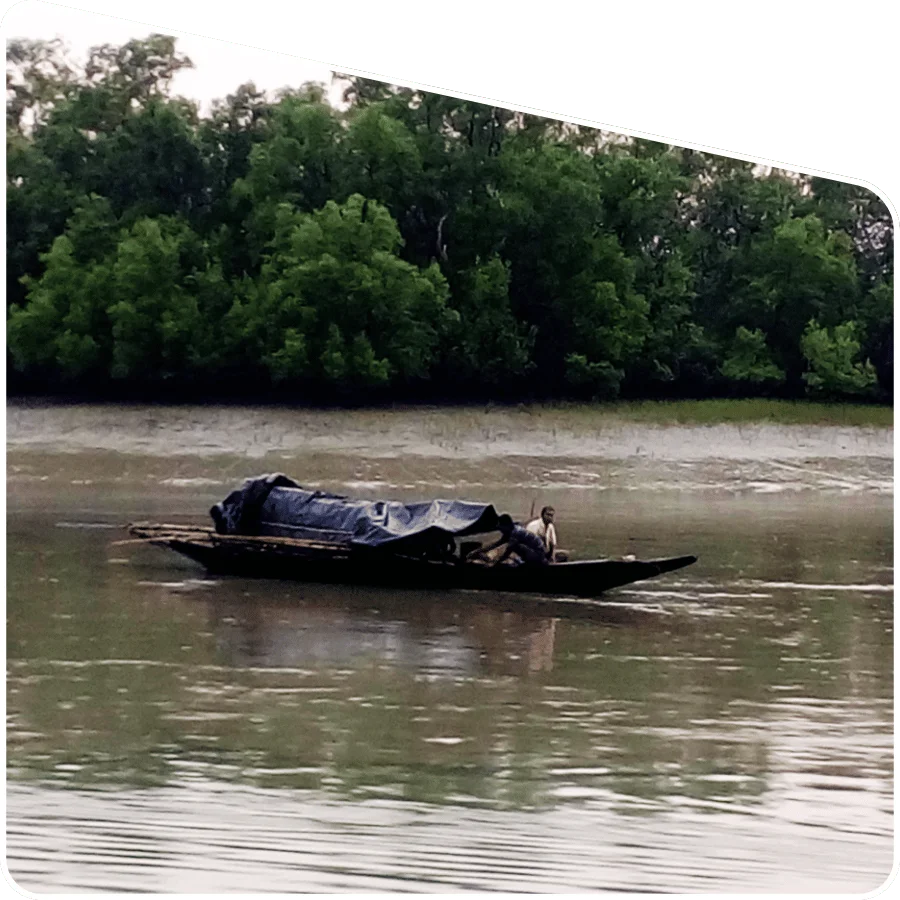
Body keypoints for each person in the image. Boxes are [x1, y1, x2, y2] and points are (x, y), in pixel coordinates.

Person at [472, 514, 549, 567]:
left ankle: (530, 563)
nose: (500, 530)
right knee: (513, 547)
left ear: (507, 526)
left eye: (501, 527)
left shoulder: (515, 532)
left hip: (538, 555)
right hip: (534, 553)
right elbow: (496, 544)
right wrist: (478, 551)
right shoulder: (509, 532)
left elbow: (508, 551)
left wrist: (495, 564)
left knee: (515, 546)